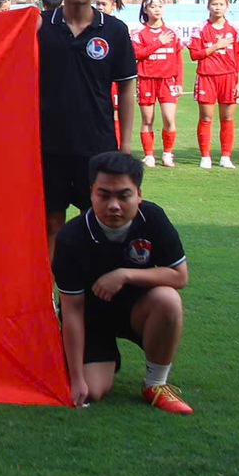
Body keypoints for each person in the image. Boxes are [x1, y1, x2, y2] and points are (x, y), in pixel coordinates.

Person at [51, 151, 193, 415]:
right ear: (91, 194)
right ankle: (95, 358)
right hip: (92, 319)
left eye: (123, 196)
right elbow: (72, 311)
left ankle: (155, 384)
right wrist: (77, 378)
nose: (114, 205)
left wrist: (125, 274)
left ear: (139, 195)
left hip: (138, 310)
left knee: (168, 300)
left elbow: (179, 276)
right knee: (92, 391)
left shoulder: (153, 218)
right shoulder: (71, 238)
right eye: (104, 195)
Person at [38, 0, 138, 249]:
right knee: (51, 223)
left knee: (95, 222)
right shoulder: (39, 27)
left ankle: (90, 281)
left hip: (97, 145)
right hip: (47, 145)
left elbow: (126, 88)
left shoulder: (114, 31)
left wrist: (125, 145)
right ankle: (52, 282)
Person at [188, 0, 239, 169]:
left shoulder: (234, 29)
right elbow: (195, 55)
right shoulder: (200, 28)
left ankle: (226, 156)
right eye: (214, 4)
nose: (217, 7)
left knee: (228, 118)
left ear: (227, 7)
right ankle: (205, 156)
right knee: (206, 117)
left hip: (229, 77)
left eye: (221, 4)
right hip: (207, 77)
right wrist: (216, 46)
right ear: (208, 6)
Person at [132, 0, 183, 167]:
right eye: (152, 6)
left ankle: (168, 153)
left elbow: (178, 59)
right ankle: (149, 155)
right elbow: (137, 54)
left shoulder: (172, 32)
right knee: (147, 120)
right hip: (146, 79)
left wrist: (179, 82)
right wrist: (158, 43)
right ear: (145, 10)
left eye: (160, 6)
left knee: (169, 119)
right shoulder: (139, 32)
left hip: (167, 80)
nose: (157, 9)